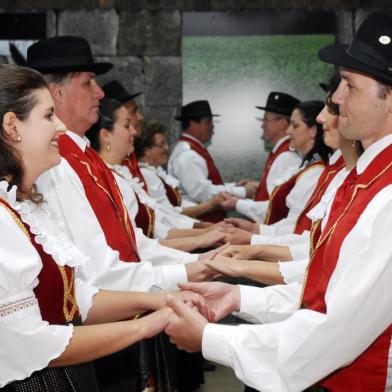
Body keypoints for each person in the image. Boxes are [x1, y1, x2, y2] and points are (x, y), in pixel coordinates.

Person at [164, 11, 392, 391]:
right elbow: (327, 287)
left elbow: (334, 330)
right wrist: (239, 296)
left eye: (350, 86)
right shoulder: (367, 179)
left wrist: (211, 339)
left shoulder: (383, 190)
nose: (334, 100)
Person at [26, 35, 219, 391]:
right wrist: (186, 272)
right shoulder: (59, 164)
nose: (100, 93)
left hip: (117, 310)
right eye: (88, 83)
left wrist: (194, 264)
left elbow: (132, 242)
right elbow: (95, 272)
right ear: (58, 93)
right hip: (98, 324)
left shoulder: (83, 158)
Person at [203, 76, 362, 286]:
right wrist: (254, 239)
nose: (322, 118)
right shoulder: (332, 170)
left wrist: (254, 242)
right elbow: (311, 242)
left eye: (334, 109)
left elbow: (321, 254)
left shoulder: (326, 171)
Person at [85, 98, 225, 251]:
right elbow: (137, 247)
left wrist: (203, 233)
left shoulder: (121, 175)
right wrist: (201, 237)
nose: (133, 130)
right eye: (127, 125)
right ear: (105, 136)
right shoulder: (106, 180)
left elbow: (159, 225)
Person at [220, 100, 332, 244]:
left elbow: (296, 227)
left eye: (295, 125)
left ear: (313, 131)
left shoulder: (315, 171)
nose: (288, 131)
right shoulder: (309, 167)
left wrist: (255, 236)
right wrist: (255, 229)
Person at [168, 100, 257, 222]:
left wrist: (233, 186)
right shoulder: (188, 155)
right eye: (208, 121)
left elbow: (203, 185)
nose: (212, 126)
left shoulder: (192, 149)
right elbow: (201, 193)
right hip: (199, 222)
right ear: (193, 123)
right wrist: (242, 191)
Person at [136, 120, 226, 220]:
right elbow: (168, 213)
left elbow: (176, 206)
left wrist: (210, 204)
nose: (166, 148)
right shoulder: (148, 175)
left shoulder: (154, 172)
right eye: (162, 144)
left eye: (166, 143)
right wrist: (209, 205)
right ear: (146, 150)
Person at [253, 91, 302, 201]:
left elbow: (277, 205)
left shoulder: (287, 157)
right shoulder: (281, 152)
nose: (262, 125)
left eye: (265, 119)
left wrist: (238, 203)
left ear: (282, 123)